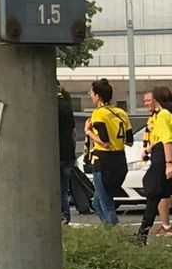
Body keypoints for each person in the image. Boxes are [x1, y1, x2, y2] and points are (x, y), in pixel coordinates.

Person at [85, 78, 131, 226]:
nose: (90, 96)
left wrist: (88, 131)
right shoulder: (121, 112)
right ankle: (108, 234)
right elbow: (129, 140)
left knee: (106, 203)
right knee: (97, 203)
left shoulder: (99, 113)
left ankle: (115, 235)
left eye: (91, 93)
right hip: (120, 160)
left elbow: (104, 141)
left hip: (103, 162)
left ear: (98, 96)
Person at [137, 86, 172, 243]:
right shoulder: (160, 116)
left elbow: (167, 140)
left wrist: (169, 164)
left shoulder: (163, 114)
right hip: (158, 154)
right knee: (156, 195)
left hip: (162, 158)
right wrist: (149, 148)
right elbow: (160, 138)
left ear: (156, 99)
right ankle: (142, 234)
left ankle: (142, 235)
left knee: (153, 193)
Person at [57, 89, 76, 225]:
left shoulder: (48, 105)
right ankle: (65, 217)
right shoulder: (67, 106)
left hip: (55, 153)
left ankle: (58, 217)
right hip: (68, 152)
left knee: (54, 188)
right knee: (63, 189)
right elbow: (73, 132)